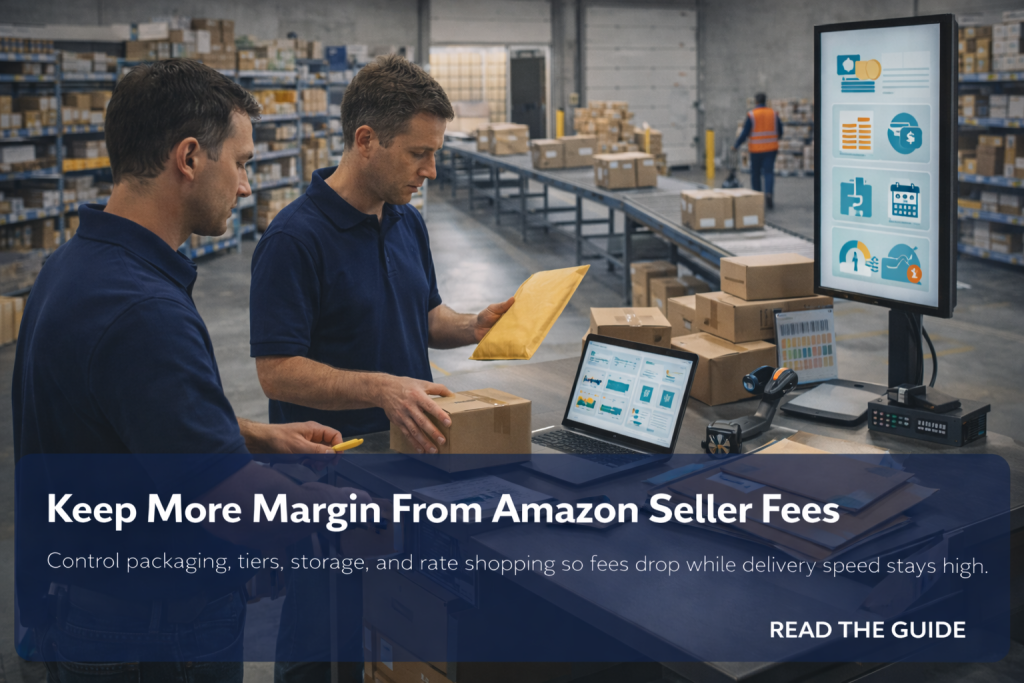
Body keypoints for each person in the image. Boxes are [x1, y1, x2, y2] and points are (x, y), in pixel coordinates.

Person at [12, 59, 368, 682]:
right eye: (242, 163)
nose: (246, 188)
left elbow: (123, 415)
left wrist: (254, 435)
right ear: (189, 158)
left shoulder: (75, 265)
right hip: (151, 633)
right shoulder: (143, 310)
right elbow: (239, 508)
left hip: (83, 604)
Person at [248, 54, 513, 682]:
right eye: (419, 153)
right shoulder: (293, 240)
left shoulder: (406, 222)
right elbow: (276, 372)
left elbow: (424, 317)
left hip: (411, 463)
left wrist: (473, 326)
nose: (432, 169)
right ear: (366, 141)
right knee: (322, 640)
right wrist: (384, 389)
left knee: (400, 630)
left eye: (436, 152)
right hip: (329, 482)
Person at [733, 92, 783, 209]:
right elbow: (780, 131)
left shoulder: (752, 115)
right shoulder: (773, 113)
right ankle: (769, 193)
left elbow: (745, 133)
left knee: (755, 174)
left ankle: (757, 197)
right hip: (771, 149)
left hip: (756, 150)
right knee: (769, 173)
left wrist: (736, 145)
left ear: (756, 101)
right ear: (766, 101)